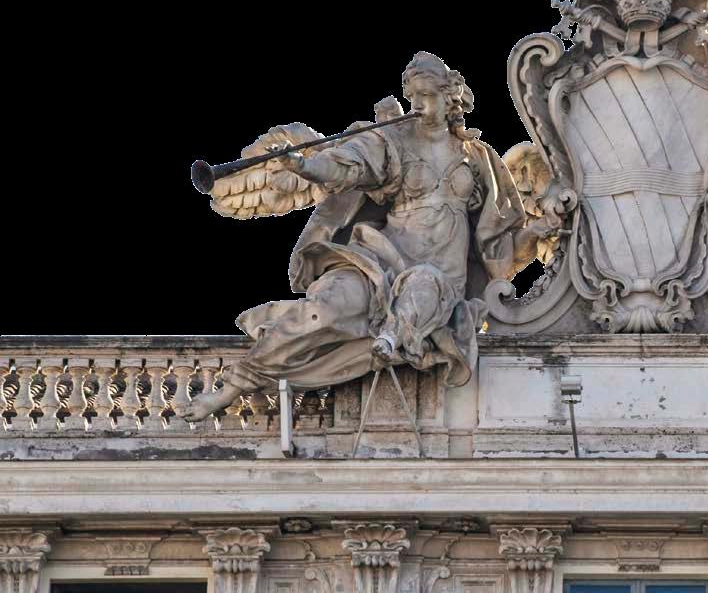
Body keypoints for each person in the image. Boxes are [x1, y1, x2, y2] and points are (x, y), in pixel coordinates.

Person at [181, 52, 553, 421]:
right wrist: (304, 165)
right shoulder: (393, 143)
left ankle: (390, 339)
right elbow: (347, 166)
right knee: (324, 309)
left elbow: (497, 243)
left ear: (449, 97)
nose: (419, 104)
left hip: (439, 276)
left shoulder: (477, 158)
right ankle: (232, 387)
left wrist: (538, 231)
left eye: (428, 95)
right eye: (413, 96)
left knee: (423, 288)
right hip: (381, 259)